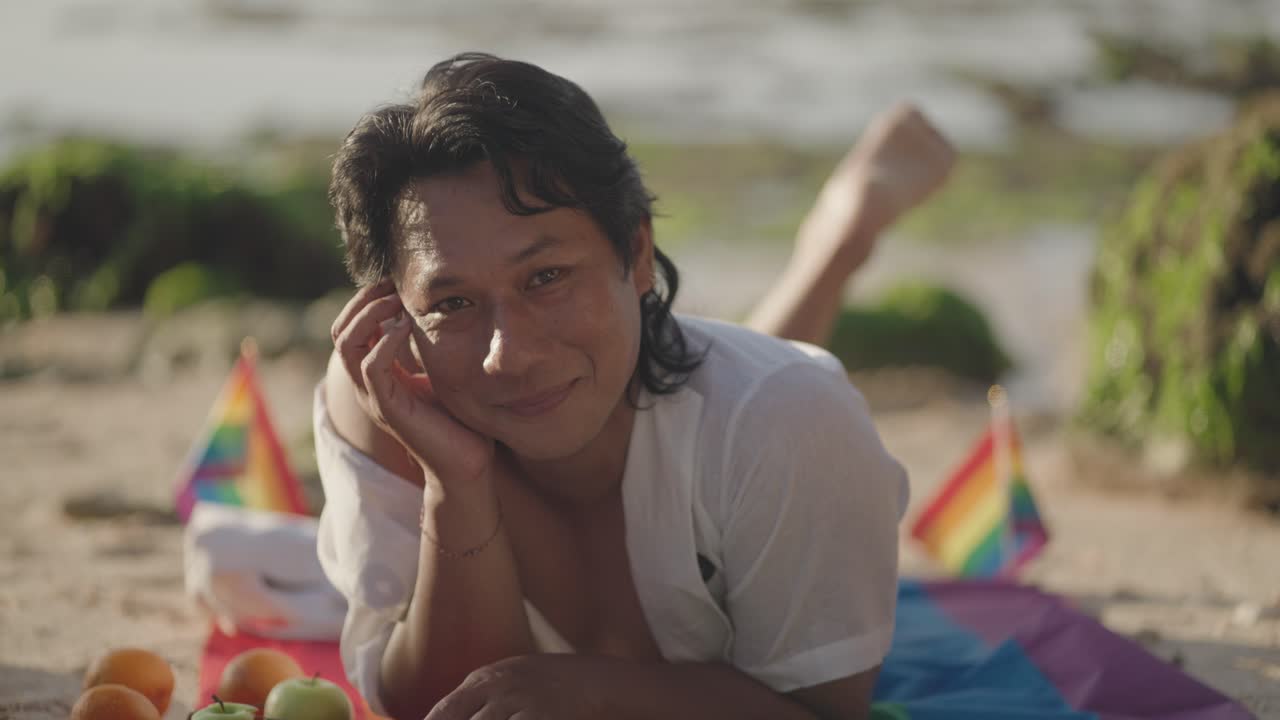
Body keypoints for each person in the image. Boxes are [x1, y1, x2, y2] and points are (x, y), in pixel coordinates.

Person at [317, 52, 953, 720]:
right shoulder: (390, 394)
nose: (510, 355)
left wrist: (592, 692)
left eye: (547, 276)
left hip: (761, 409)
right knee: (721, 399)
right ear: (395, 311)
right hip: (696, 396)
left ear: (639, 253)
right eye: (452, 304)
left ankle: (844, 233)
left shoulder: (794, 419)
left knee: (756, 402)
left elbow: (826, 711)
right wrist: (455, 485)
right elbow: (434, 707)